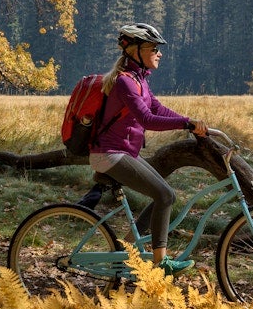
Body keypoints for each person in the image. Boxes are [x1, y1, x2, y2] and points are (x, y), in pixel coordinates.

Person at [87, 22, 208, 274]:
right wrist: (186, 122)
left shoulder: (139, 80)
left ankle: (127, 252)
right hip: (109, 155)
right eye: (153, 48)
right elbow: (147, 120)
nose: (159, 53)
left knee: (167, 195)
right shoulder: (125, 82)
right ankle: (160, 262)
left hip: (123, 153)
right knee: (163, 195)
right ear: (135, 50)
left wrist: (190, 124)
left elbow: (158, 109)